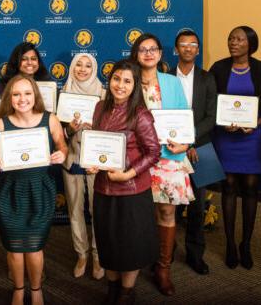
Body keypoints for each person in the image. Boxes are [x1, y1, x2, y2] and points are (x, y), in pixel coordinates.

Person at [0, 75, 68, 305]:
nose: (22, 99)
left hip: (40, 191)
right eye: (16, 94)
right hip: (9, 193)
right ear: (9, 98)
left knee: (34, 247)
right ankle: (19, 289)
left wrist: (62, 153)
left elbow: (63, 146)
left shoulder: (50, 120)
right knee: (14, 248)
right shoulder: (0, 123)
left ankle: (37, 289)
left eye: (27, 93)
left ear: (35, 96)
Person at [87, 59, 161, 305]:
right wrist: (92, 163)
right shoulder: (99, 108)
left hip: (131, 190)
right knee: (107, 242)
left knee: (129, 245)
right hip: (103, 188)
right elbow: (97, 145)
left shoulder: (141, 114)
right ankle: (112, 287)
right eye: (116, 79)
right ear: (110, 81)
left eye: (127, 81)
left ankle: (126, 292)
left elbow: (153, 152)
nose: (120, 85)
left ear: (135, 85)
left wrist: (129, 174)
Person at [130, 33, 193, 296]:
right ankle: (134, 263)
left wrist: (186, 143)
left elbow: (183, 116)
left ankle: (163, 268)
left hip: (168, 156)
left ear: (159, 54)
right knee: (139, 213)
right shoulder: (128, 82)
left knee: (167, 212)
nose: (148, 53)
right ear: (136, 54)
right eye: (143, 49)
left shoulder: (171, 83)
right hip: (137, 158)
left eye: (153, 48)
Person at [209, 26, 261, 270]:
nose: (233, 42)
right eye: (230, 38)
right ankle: (229, 244)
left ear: (251, 44)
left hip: (252, 138)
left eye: (239, 39)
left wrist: (258, 121)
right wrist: (221, 122)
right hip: (226, 137)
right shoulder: (219, 68)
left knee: (250, 188)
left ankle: (246, 243)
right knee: (228, 187)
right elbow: (211, 100)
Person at [168, 29, 217, 275]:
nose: (188, 48)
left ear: (197, 50)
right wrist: (180, 144)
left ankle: (195, 255)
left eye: (193, 44)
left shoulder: (208, 78)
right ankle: (165, 253)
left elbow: (211, 116)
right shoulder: (164, 78)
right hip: (170, 150)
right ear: (176, 49)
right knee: (169, 205)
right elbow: (160, 117)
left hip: (201, 148)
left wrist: (191, 142)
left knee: (198, 207)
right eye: (183, 44)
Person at [60, 53, 106, 279]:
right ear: (72, 67)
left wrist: (95, 125)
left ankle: (98, 255)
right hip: (72, 159)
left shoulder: (104, 94)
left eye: (88, 65)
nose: (83, 69)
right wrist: (70, 128)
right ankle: (82, 254)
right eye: (78, 64)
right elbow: (57, 135)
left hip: (97, 163)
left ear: (94, 68)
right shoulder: (64, 94)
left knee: (97, 210)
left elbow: (112, 131)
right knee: (75, 210)